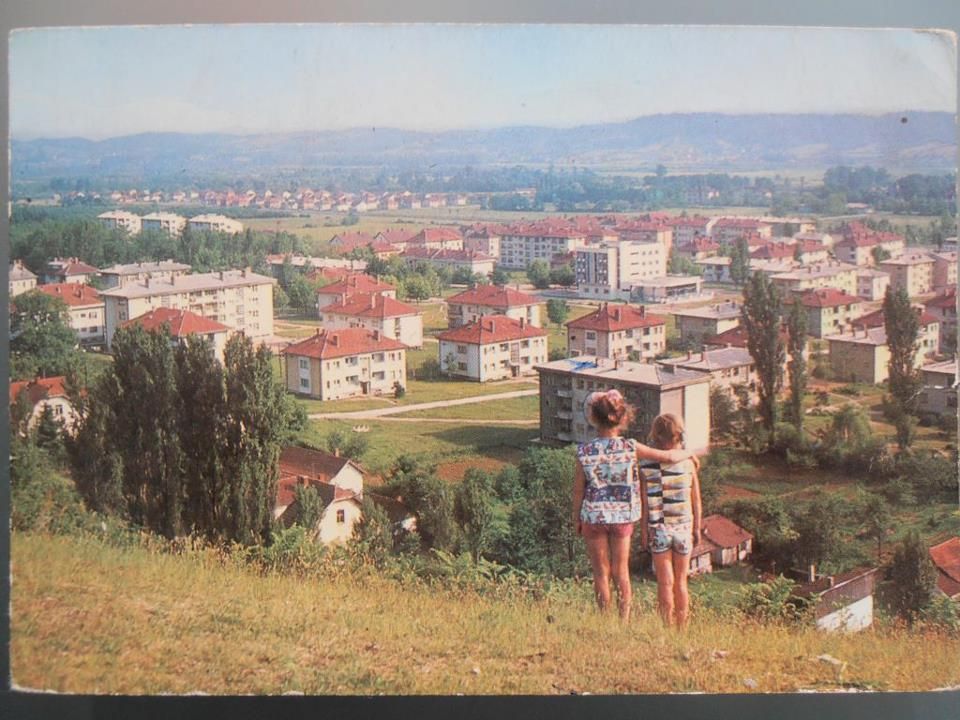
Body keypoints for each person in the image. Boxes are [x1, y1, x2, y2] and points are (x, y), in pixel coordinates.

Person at [572, 390, 700, 620]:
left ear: (593, 418)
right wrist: (690, 453)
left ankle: (605, 620)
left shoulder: (584, 451)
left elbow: (579, 489)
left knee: (600, 572)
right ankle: (624, 620)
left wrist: (576, 519)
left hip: (593, 516)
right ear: (623, 418)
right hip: (622, 517)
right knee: (621, 571)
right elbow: (668, 457)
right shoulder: (630, 446)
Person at [639, 413, 703, 628]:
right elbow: (696, 500)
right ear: (678, 435)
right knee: (681, 582)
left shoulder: (646, 466)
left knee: (665, 583)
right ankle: (682, 627)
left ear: (656, 435)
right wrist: (697, 528)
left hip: (659, 529)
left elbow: (645, 504)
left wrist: (644, 532)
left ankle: (666, 626)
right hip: (684, 528)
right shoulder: (689, 463)